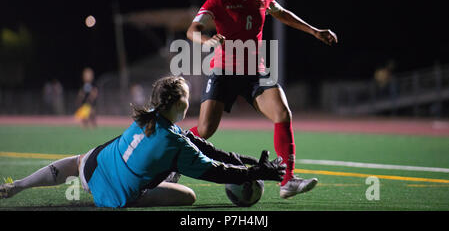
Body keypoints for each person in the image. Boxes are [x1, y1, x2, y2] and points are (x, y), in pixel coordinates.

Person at [186, 0, 338, 199]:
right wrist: (207, 41)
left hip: (256, 70)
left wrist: (314, 31)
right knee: (205, 129)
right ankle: (173, 154)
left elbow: (282, 14)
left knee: (282, 113)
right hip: (224, 71)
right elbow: (192, 30)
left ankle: (288, 180)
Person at [0, 76, 286, 208]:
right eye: (187, 98)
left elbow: (206, 148)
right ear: (177, 104)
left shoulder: (148, 115)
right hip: (114, 197)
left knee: (79, 160)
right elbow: (216, 171)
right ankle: (138, 195)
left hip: (94, 166)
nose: (191, 103)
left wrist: (247, 163)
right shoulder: (175, 144)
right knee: (188, 196)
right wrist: (257, 173)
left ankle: (18, 186)